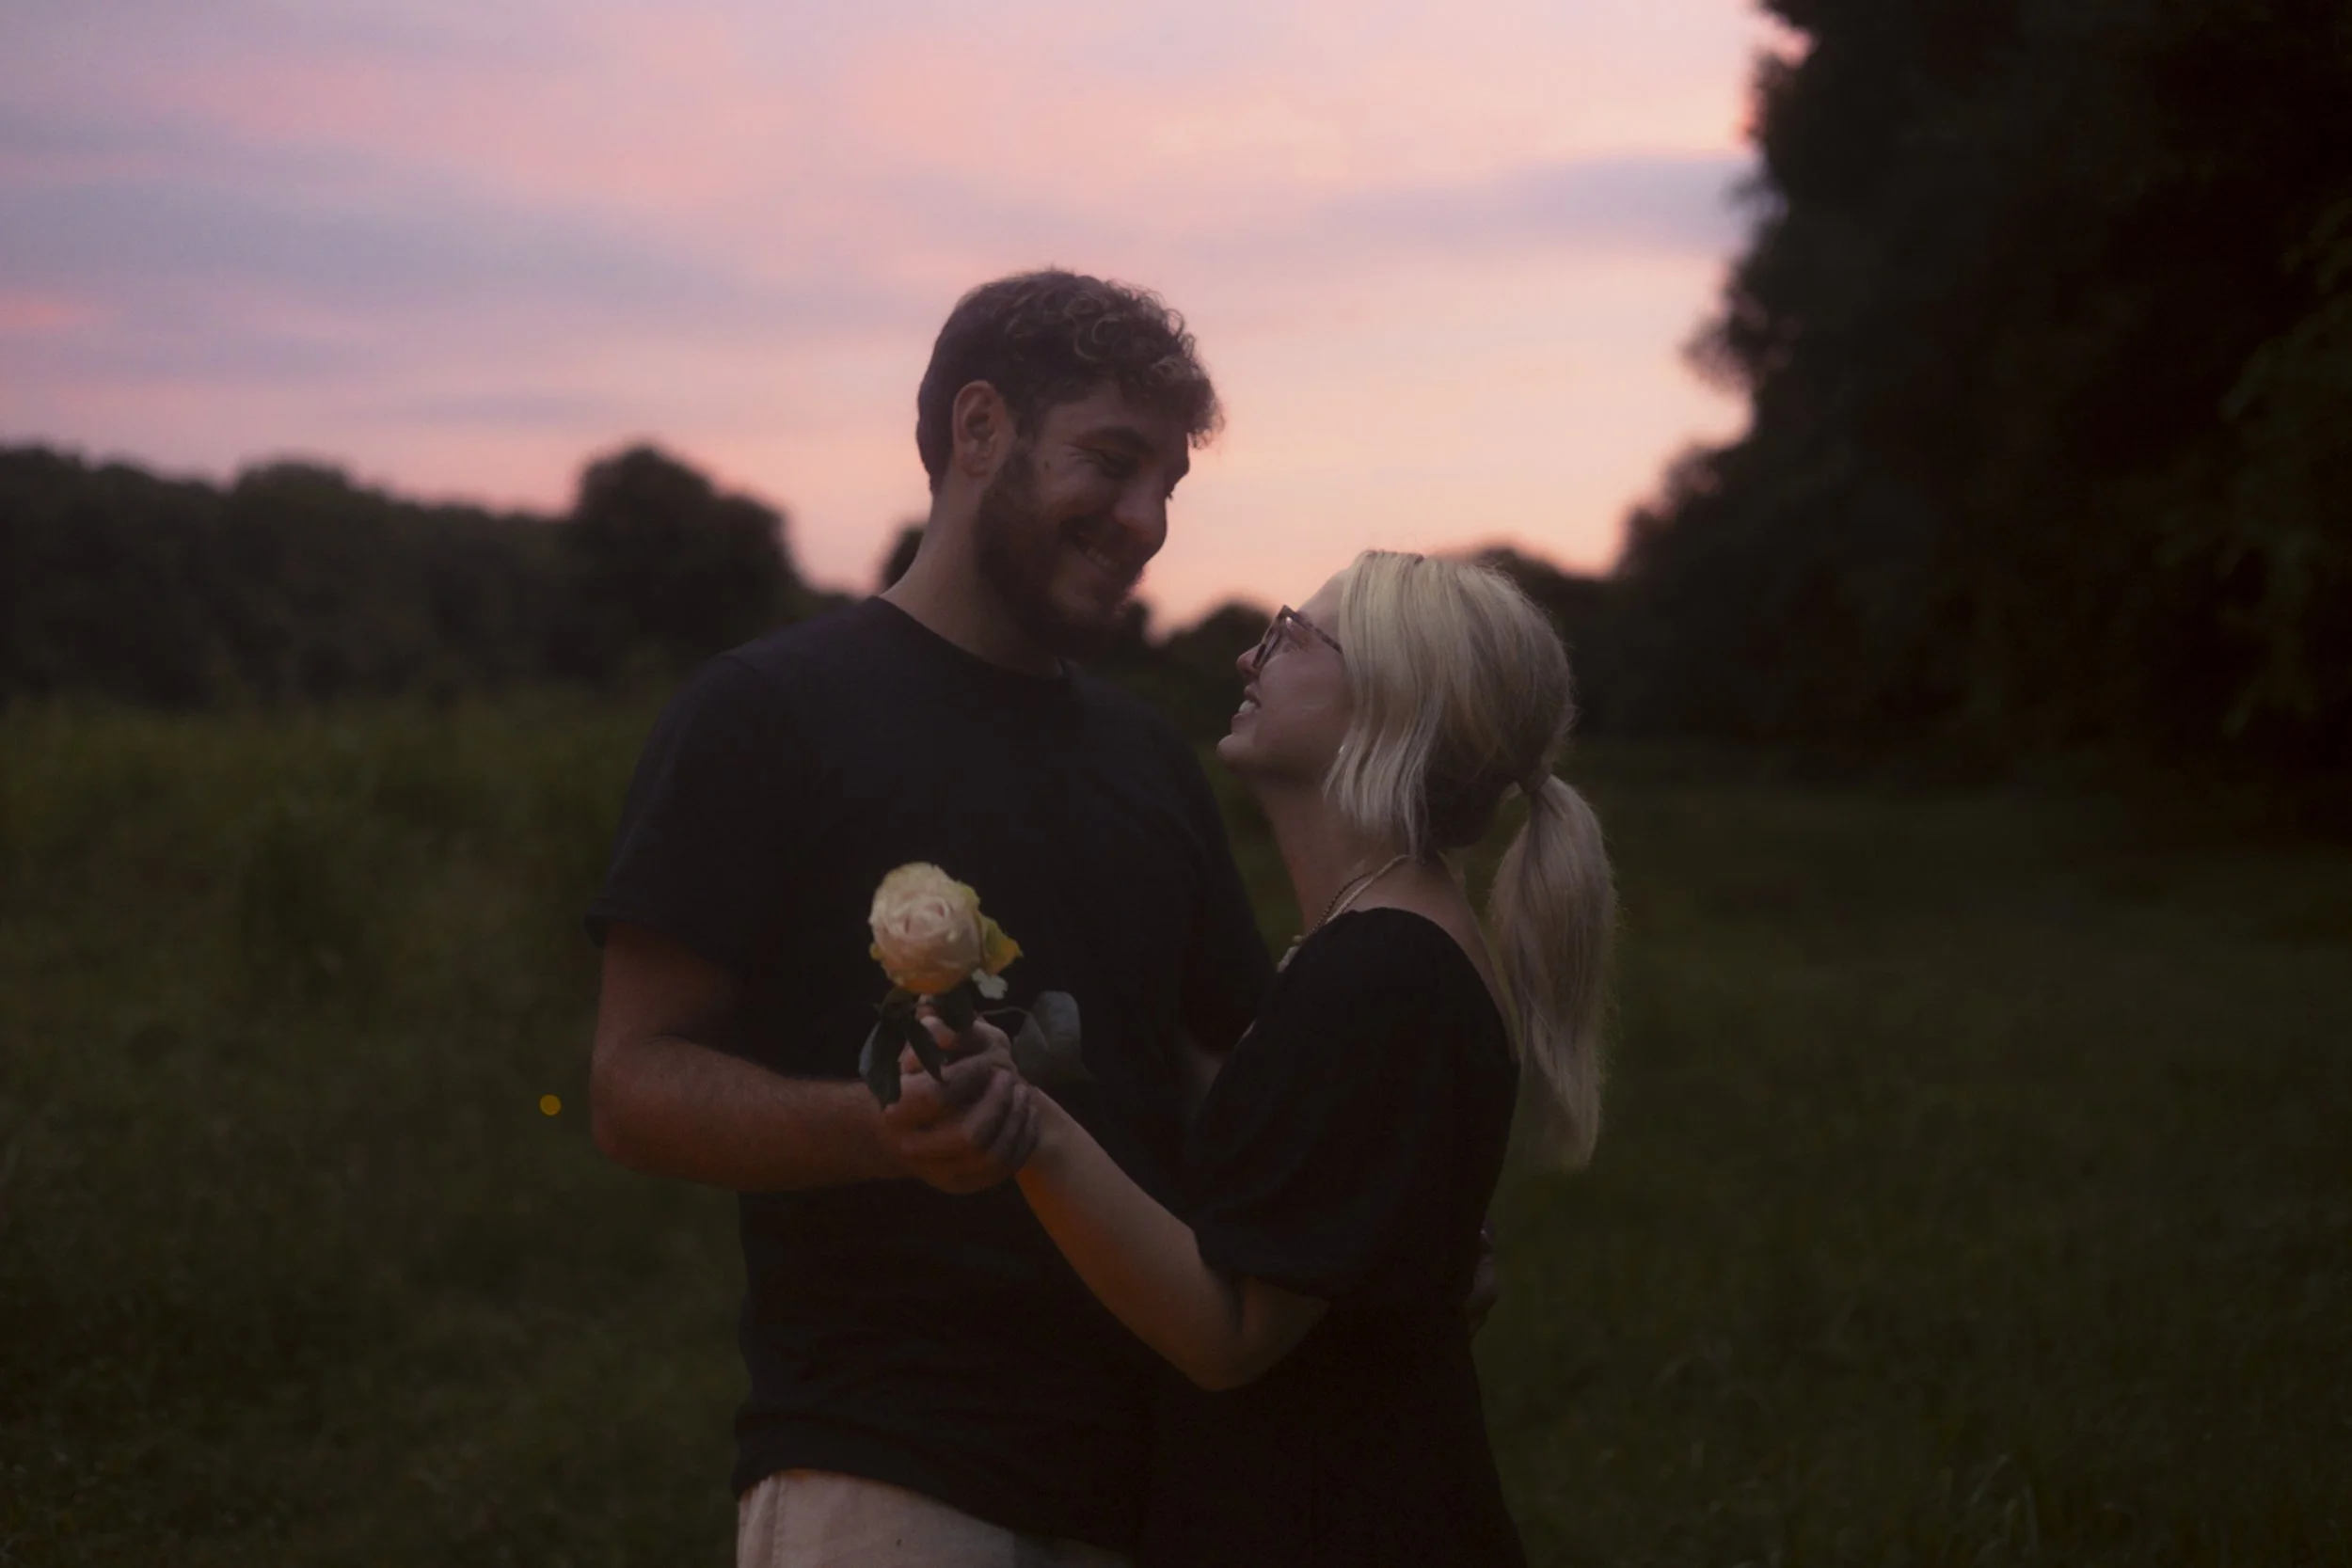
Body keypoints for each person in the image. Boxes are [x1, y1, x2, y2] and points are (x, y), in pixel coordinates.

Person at [583, 269, 1277, 1566]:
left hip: (1159, 1478)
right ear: (977, 431)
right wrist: (882, 1131)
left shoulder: (1150, 760)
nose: (1142, 522)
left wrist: (1383, 1200)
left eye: (1166, 490)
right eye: (1112, 464)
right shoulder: (766, 713)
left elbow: (1224, 1074)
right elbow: (628, 1085)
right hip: (886, 1470)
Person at [924, 550, 1615, 1567]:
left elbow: (1230, 1334)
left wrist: (1029, 1126)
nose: (1250, 653)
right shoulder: (1378, 951)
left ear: (1392, 701)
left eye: (1294, 635)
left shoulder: (1382, 972)